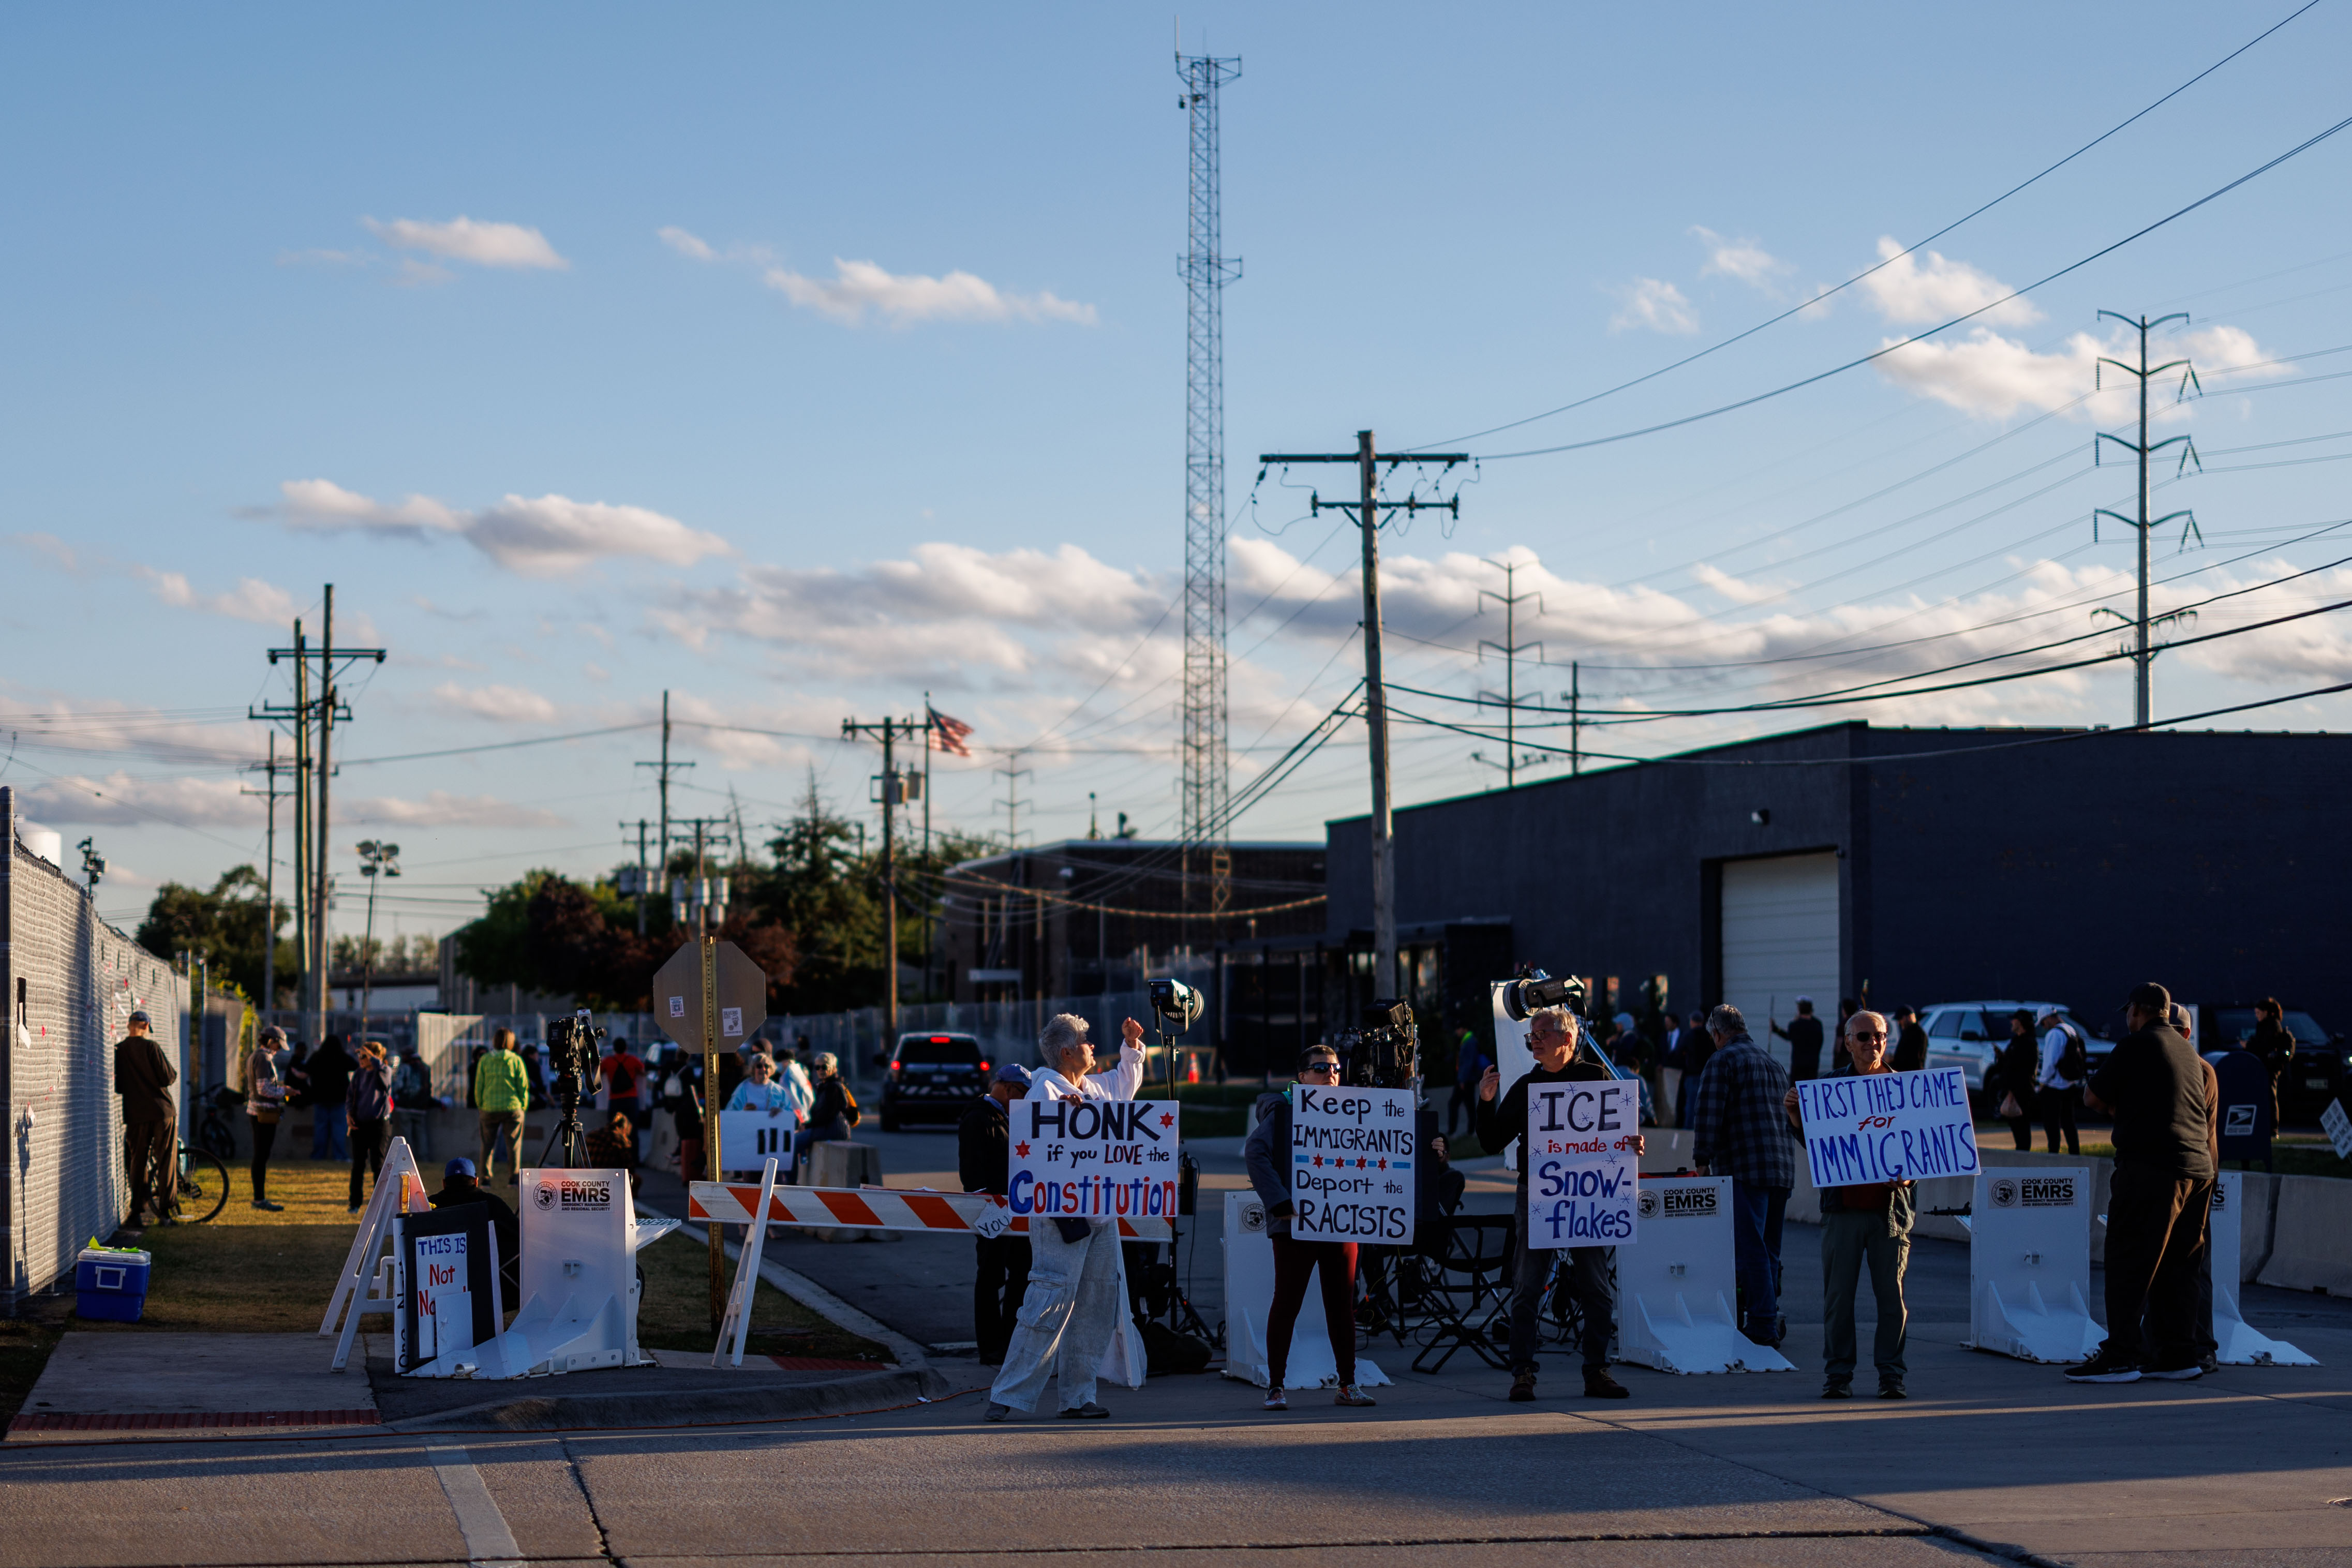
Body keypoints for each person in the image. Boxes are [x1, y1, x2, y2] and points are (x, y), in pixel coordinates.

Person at [985, 1012, 1145, 1423]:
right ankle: (1008, 1392)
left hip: (1101, 1219)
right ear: (1067, 1051)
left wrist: (1131, 1047)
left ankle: (1078, 1395)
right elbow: (1035, 1145)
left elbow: (1125, 1084)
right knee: (1049, 1301)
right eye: (1086, 1042)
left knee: (1094, 1307)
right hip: (1061, 1216)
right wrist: (1063, 1119)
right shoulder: (1044, 1092)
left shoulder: (1091, 1087)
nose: (1094, 1047)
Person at [1475, 1007, 1638, 1402]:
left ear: (1567, 1038)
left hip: (1588, 1195)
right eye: (1530, 1035)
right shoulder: (1526, 1088)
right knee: (1527, 1287)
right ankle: (1523, 1373)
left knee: (1597, 1288)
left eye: (1541, 1034)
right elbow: (1491, 1141)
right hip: (1539, 1196)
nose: (1534, 1041)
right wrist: (1485, 1102)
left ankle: (1597, 1370)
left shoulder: (1596, 1079)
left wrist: (1635, 1144)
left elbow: (1622, 1133)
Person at [2068, 983, 2214, 1383]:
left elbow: (2092, 1098)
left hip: (2152, 1168)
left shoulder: (2136, 1044)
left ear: (2137, 1011)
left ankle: (2120, 1354)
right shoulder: (2188, 1051)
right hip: (2198, 1171)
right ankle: (2178, 1355)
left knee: (2130, 1258)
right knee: (2180, 1265)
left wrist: (2124, 1108)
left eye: (2128, 1012)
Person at [1244, 1045, 1380, 1411]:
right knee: (1287, 1302)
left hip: (1341, 1222)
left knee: (1341, 1305)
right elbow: (1255, 1152)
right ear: (1301, 1077)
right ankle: (1275, 1386)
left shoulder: (1356, 1112)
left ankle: (1348, 1384)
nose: (1330, 1074)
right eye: (1320, 1068)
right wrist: (1279, 1201)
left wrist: (1436, 1147)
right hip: (1295, 1225)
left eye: (1335, 1068)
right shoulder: (1284, 1112)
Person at [1785, 1011, 1912, 1399]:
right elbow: (1821, 1149)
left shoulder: (1904, 1089)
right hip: (1842, 1212)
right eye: (1865, 1036)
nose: (1874, 1042)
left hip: (1889, 1214)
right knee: (1839, 1300)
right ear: (1846, 1040)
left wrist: (1907, 1176)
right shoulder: (1829, 1088)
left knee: (1892, 1299)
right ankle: (1838, 1375)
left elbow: (1921, 1151)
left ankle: (1891, 1374)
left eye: (1881, 1036)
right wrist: (1795, 1115)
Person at [1691, 1003, 1796, 1347]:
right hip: (1780, 1167)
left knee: (1749, 1248)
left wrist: (1702, 1160)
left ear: (1718, 1033)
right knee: (1770, 1250)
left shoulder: (1723, 1060)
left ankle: (1763, 1322)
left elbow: (1709, 1112)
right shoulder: (1773, 1062)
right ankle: (1769, 1310)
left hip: (1744, 1166)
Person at [959, 1062, 1034, 1367]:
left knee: (1021, 1273)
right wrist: (985, 1204)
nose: (1025, 1100)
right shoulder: (979, 1118)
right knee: (991, 1277)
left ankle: (1011, 1342)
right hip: (992, 1209)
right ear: (1005, 1087)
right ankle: (991, 1348)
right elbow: (972, 1171)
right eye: (1022, 1093)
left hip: (1016, 1209)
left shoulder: (1008, 1116)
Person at [114, 1009, 178, 1226]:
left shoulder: (120, 1050)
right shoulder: (152, 1047)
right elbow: (168, 1077)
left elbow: (120, 1086)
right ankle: (165, 1213)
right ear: (145, 1026)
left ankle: (136, 1212)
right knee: (165, 1159)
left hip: (135, 1113)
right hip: (162, 1111)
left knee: (137, 1161)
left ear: (129, 1025)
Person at [429, 1157, 521, 1305]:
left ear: (444, 1183)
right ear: (476, 1181)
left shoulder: (431, 1205)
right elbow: (519, 1237)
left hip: (441, 1284)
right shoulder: (493, 1203)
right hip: (488, 1285)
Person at [724, 1052, 799, 1177]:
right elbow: (730, 1115)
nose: (763, 1069)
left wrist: (781, 1113)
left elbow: (791, 1116)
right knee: (751, 1186)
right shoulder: (743, 1089)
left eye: (767, 1066)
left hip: (773, 1146)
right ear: (753, 1069)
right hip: (749, 1146)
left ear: (771, 1070)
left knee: (776, 1186)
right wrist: (744, 1113)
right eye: (759, 1066)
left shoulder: (779, 1090)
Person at [474, 1027, 531, 1183]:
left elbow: (479, 1085)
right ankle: (513, 1178)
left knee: (487, 1145)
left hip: (489, 1108)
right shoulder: (516, 1060)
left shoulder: (485, 1059)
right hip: (512, 1107)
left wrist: (481, 1105)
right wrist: (523, 1106)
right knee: (514, 1146)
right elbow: (523, 1086)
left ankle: (485, 1178)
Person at [346, 1040, 394, 1214]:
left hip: (379, 1124)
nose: (361, 1059)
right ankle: (355, 1203)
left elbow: (384, 1082)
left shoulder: (385, 1071)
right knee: (358, 1165)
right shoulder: (359, 1073)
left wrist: (372, 1057)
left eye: (365, 1056)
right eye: (360, 1055)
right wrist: (349, 1114)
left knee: (378, 1165)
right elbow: (350, 1094)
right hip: (360, 1124)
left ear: (375, 1057)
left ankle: (379, 1206)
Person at [244, 1024, 289, 1210]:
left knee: (261, 1155)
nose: (279, 1050)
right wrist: (285, 1091)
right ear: (272, 1041)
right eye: (279, 1045)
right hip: (263, 1114)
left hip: (257, 1112)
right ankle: (259, 1198)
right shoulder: (263, 1058)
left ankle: (259, 1197)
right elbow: (264, 1088)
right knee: (261, 1155)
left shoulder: (256, 1056)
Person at [2038, 1009, 2088, 1156]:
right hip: (2070, 1083)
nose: (2043, 1026)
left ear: (2047, 1019)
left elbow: (2050, 1062)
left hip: (2054, 1085)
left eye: (2042, 1022)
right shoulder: (2070, 1030)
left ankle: (2053, 1154)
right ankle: (2075, 1153)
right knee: (2069, 1122)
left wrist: (2042, 1082)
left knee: (2051, 1123)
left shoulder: (2054, 1034)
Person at [802, 1052, 859, 1177]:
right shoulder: (821, 1086)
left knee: (796, 1142)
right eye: (817, 1067)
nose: (820, 1070)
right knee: (798, 1141)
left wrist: (807, 1126)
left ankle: (789, 1183)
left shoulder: (834, 1088)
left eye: (824, 1067)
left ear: (834, 1068)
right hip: (825, 1129)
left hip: (834, 1130)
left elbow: (827, 1115)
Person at [1992, 1010, 2040, 1151]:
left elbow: (2024, 1068)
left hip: (2022, 1092)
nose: (2011, 1023)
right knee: (2014, 1124)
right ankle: (2020, 1151)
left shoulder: (2029, 1043)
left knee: (2022, 1125)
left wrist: (2014, 1090)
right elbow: (2009, 1064)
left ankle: (2024, 1154)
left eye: (2014, 1020)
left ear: (2020, 1022)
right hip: (2010, 1090)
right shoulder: (2015, 1041)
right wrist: (2001, 1057)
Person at [2246, 998, 2296, 1124]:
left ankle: (2273, 1125)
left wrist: (2249, 1046)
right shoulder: (2269, 1025)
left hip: (2269, 1066)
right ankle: (2270, 1124)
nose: (2256, 1016)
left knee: (2270, 1095)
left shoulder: (2270, 1026)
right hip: (2267, 1064)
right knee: (2269, 1095)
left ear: (2266, 1012)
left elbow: (2263, 1046)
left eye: (2258, 1013)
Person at [307, 1033, 354, 1161]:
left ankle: (318, 1155)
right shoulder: (342, 1057)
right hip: (339, 1099)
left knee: (320, 1128)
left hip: (320, 1098)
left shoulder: (317, 1057)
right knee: (339, 1129)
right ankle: (339, 1155)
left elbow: (306, 1069)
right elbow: (355, 1065)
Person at [391, 1040, 435, 1160]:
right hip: (421, 1107)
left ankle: (410, 1159)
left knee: (407, 1136)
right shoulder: (425, 1068)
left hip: (405, 1107)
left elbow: (398, 1085)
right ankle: (424, 1157)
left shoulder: (405, 1067)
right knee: (422, 1134)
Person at [1671, 1009, 1714, 1128]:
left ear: (1692, 1021)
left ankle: (1689, 1128)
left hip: (1692, 1074)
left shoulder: (1688, 1036)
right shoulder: (1709, 1036)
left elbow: (1678, 1054)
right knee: (1706, 1104)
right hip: (1707, 1075)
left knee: (1691, 1104)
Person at [585, 1112, 642, 1193]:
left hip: (585, 1177)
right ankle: (628, 1199)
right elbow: (629, 1167)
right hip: (608, 1180)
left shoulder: (592, 1134)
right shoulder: (619, 1138)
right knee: (637, 1179)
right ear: (625, 1129)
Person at [1449, 1028, 1490, 1140]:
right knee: (1469, 1105)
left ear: (1463, 1029)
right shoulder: (1467, 1040)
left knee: (1459, 1104)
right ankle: (1470, 1130)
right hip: (1466, 1079)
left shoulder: (1470, 1041)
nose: (1456, 1032)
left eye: (1458, 1030)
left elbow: (1468, 1062)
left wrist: (1462, 1080)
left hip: (1466, 1079)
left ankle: (1461, 1131)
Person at [1771, 998, 1824, 1082]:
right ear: (1811, 1011)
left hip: (1798, 1064)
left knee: (1796, 1090)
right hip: (1813, 1063)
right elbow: (1820, 1042)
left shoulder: (1794, 1025)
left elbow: (1788, 1037)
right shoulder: (1817, 1025)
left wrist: (1776, 1029)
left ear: (1799, 1010)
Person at [601, 1034, 647, 1117]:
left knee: (615, 1128)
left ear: (614, 1049)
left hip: (615, 1099)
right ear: (626, 1048)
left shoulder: (608, 1062)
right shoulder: (633, 1060)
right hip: (631, 1099)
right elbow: (644, 1072)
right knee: (631, 1127)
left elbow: (598, 1072)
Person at [1890, 1007, 1930, 1074]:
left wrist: (1892, 1061)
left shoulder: (1916, 1033)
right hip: (1909, 1074)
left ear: (1909, 1017)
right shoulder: (1909, 1032)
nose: (1899, 1023)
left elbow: (1912, 1059)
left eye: (1901, 1019)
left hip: (1911, 1075)